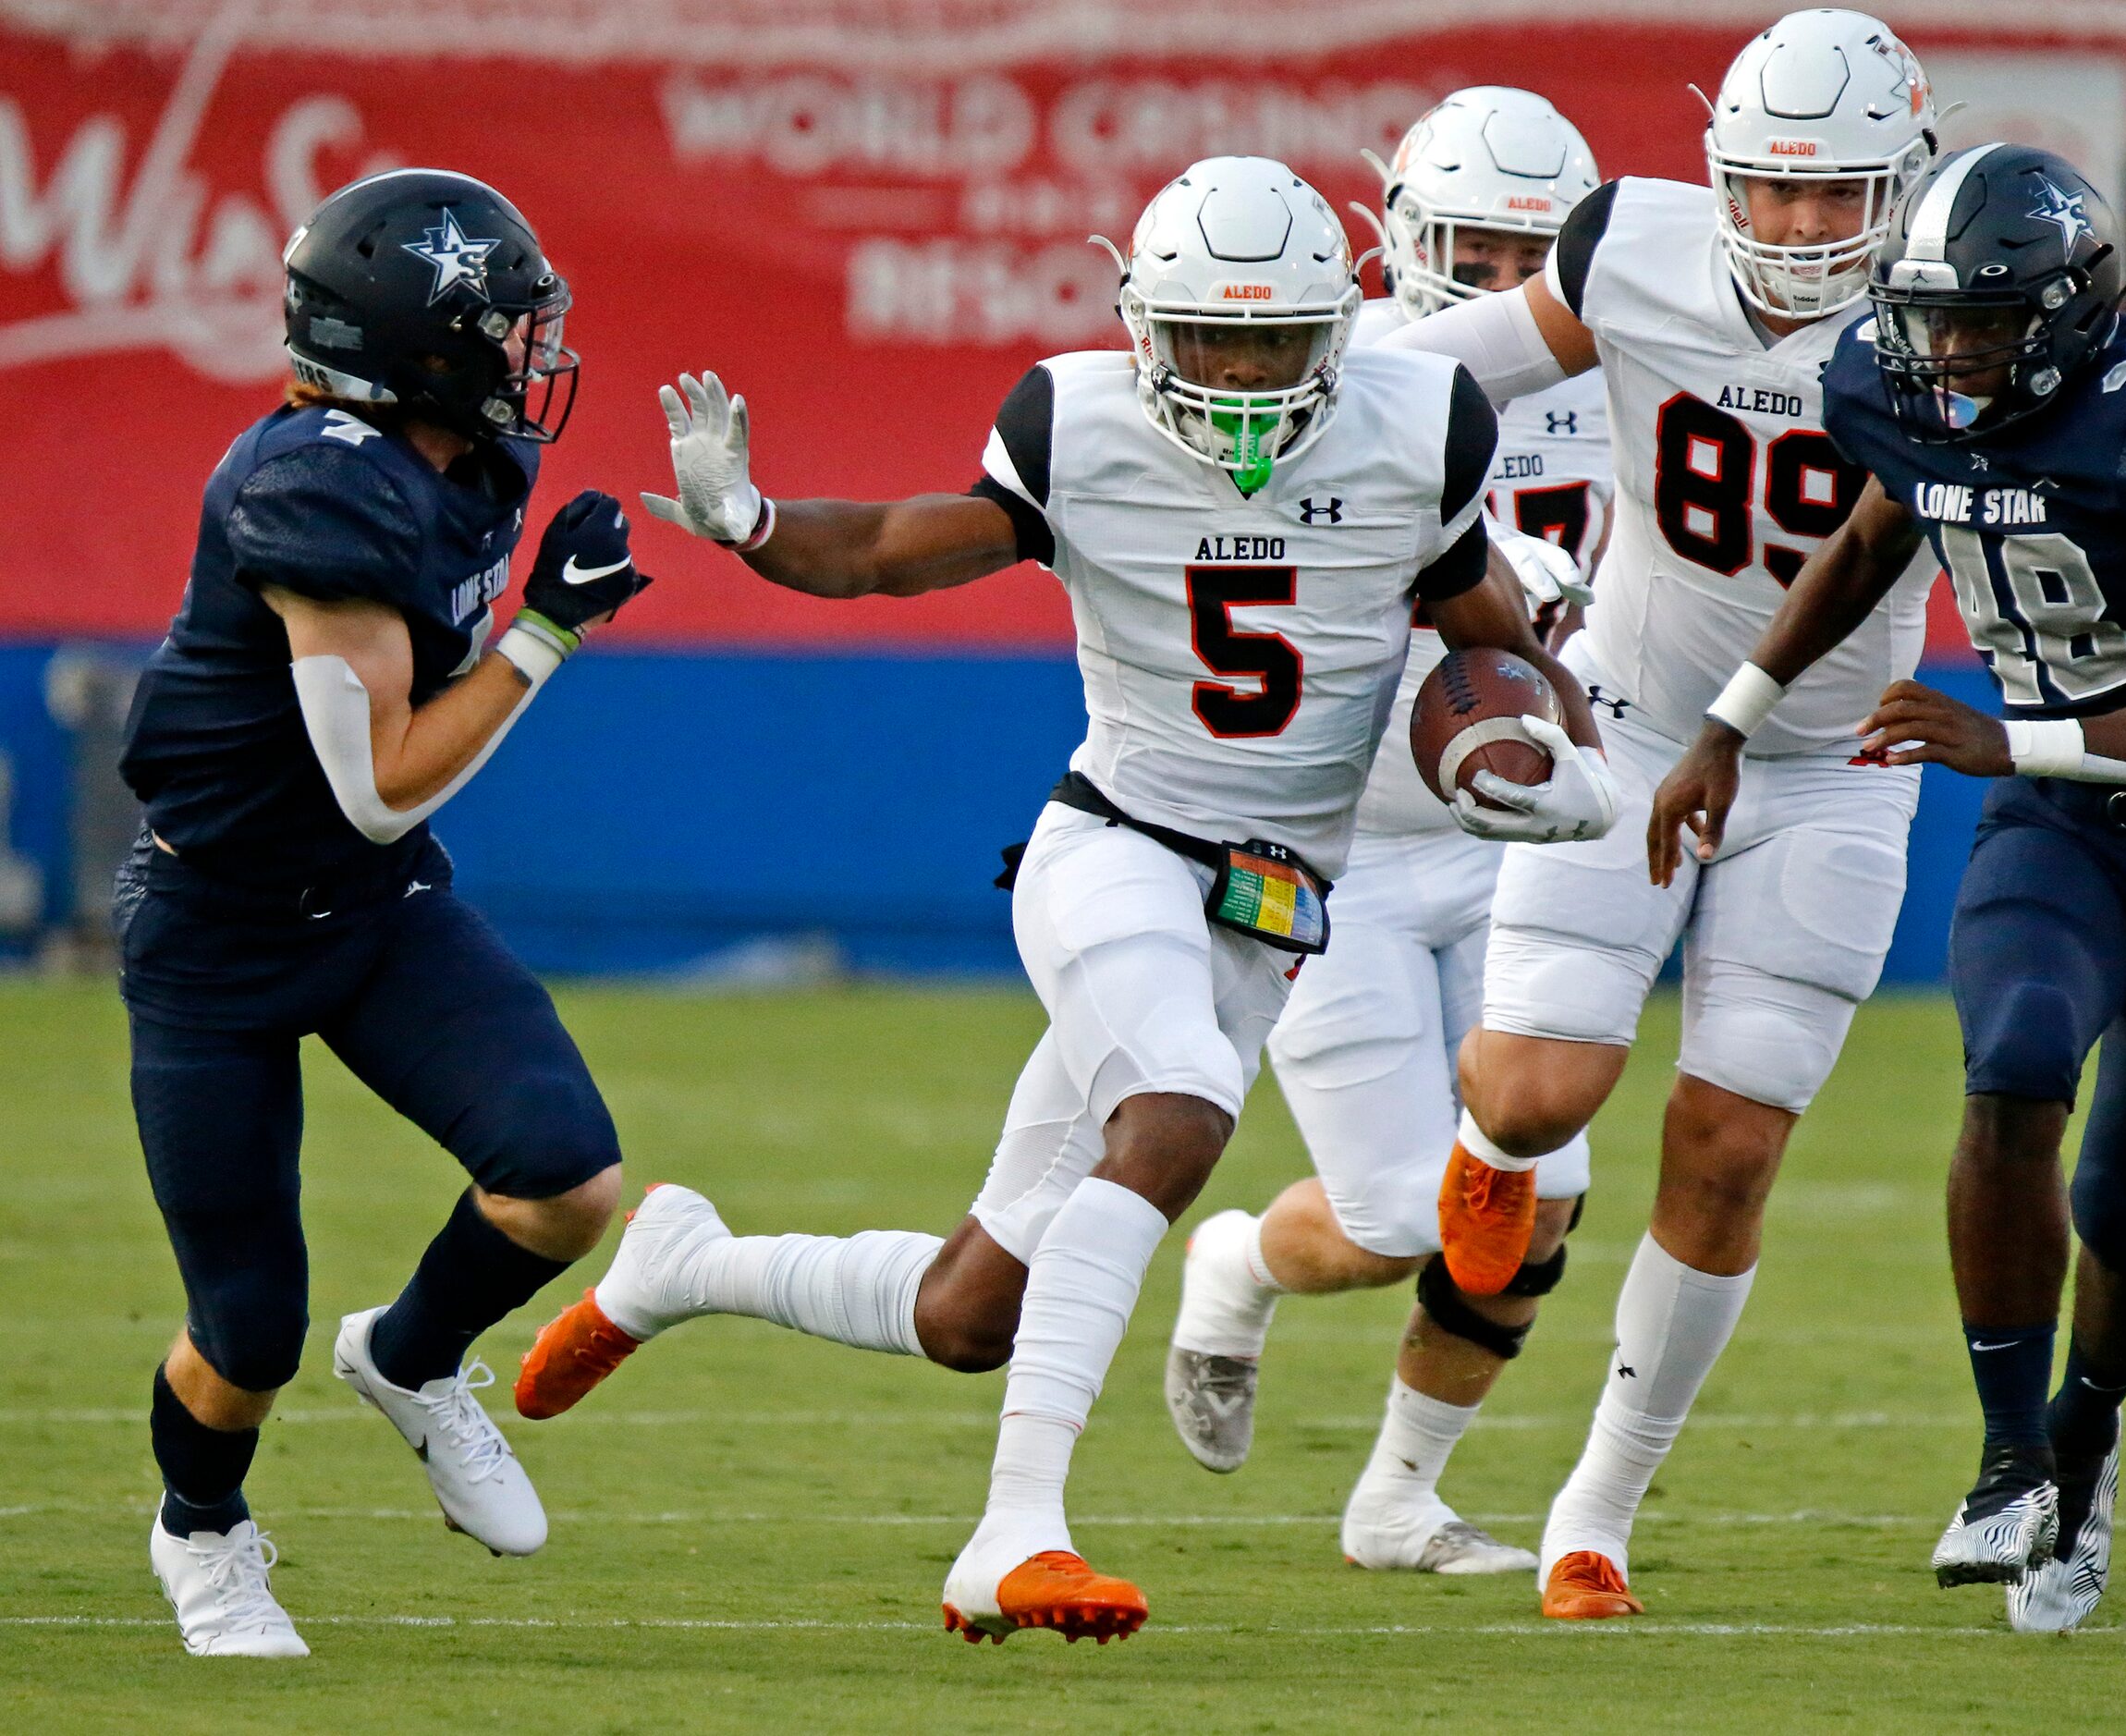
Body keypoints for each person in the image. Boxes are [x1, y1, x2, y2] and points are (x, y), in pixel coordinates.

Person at [515, 155, 1619, 1644]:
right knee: (1172, 1119)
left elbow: (1482, 629)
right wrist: (756, 520)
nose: (1233, 374)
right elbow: (906, 549)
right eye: (1204, 338)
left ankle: (688, 1260)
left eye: (1272, 341)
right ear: (1138, 322)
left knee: (973, 1311)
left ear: (1338, 333)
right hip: (1116, 845)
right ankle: (1011, 1535)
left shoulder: (1419, 430)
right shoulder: (1077, 415)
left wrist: (1564, 757)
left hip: (1269, 906)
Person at [1649, 143, 2126, 1632]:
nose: (1948, 354)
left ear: (2070, 310)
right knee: (2011, 1065)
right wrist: (1726, 723)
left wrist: (1999, 732)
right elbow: (1878, 524)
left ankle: (2080, 1438)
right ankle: (2008, 1454)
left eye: (1985, 322)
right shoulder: (1899, 391)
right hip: (2054, 824)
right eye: (1931, 319)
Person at [1375, 10, 1939, 1619]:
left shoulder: (1950, 304)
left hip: (1831, 763)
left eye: (1839, 196)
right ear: (1719, 180)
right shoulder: (1633, 243)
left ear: (1898, 187)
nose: (1802, 227)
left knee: (1728, 1144)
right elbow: (1451, 365)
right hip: (1623, 722)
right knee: (1538, 1093)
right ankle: (1492, 1161)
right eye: (1770, 192)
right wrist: (1319, 406)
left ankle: (1593, 1509)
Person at [116, 168, 654, 1657]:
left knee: (563, 1176)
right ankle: (203, 1532)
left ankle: (413, 1358)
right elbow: (384, 777)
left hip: (368, 905)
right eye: (496, 327)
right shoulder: (315, 485)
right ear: (413, 347)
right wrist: (552, 626)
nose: (524, 353)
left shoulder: (456, 457)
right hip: (218, 923)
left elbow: (375, 827)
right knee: (245, 1330)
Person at [1160, 87, 1607, 1582]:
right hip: (1330, 847)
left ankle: (1398, 1497)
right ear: (1400, 232)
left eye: (1524, 251)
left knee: (1538, 1182)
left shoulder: (1628, 379)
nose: (1493, 283)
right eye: (1468, 246)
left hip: (1520, 839)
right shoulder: (1312, 371)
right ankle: (1234, 1260)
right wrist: (1461, 567)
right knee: (1396, 1212)